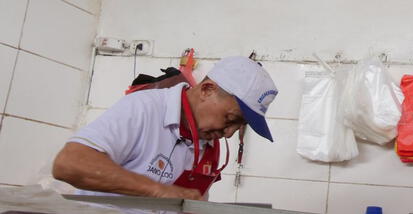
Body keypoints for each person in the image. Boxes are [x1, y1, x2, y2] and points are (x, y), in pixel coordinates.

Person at [52, 56, 278, 200]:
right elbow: (70, 164)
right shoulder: (144, 107)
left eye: (240, 126)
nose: (228, 133)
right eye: (230, 119)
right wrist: (159, 191)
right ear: (207, 90)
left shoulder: (209, 139)